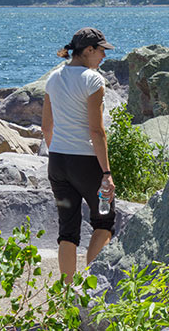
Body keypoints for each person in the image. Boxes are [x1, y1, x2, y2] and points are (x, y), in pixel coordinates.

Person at [41, 27, 116, 283]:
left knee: (68, 230)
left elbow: (45, 127)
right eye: (102, 51)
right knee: (104, 222)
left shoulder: (53, 78)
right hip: (87, 164)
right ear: (88, 50)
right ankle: (91, 286)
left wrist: (57, 152)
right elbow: (97, 131)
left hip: (58, 162)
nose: (104, 56)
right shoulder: (93, 80)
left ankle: (66, 292)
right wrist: (106, 173)